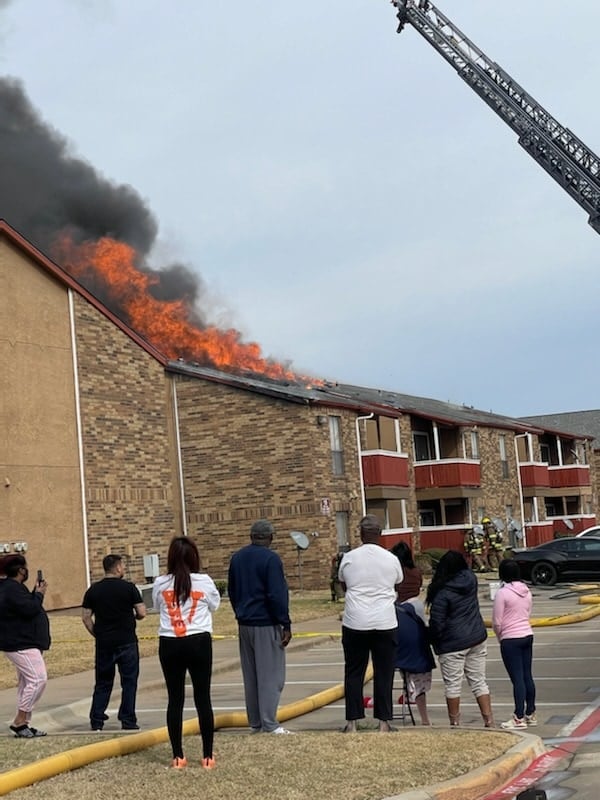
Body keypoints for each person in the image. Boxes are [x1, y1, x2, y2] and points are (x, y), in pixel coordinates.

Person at [153, 536, 221, 769]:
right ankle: (208, 756)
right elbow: (215, 605)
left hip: (170, 641)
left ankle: (178, 756)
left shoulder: (161, 583)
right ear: (194, 557)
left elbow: (156, 605)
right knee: (203, 698)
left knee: (175, 699)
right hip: (199, 640)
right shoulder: (204, 581)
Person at [338, 514, 403, 733]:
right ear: (380, 534)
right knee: (384, 671)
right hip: (385, 621)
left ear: (360, 534)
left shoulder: (349, 557)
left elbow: (343, 581)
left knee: (354, 672)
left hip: (355, 620)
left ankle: (352, 722)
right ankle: (384, 722)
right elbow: (398, 582)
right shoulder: (391, 558)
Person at [228, 519, 293, 735]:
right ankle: (270, 723)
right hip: (266, 622)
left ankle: (255, 722)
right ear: (270, 537)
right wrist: (285, 622)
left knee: (251, 675)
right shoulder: (271, 559)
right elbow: (276, 594)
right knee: (271, 676)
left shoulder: (237, 558)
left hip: (245, 622)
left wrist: (240, 612)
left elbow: (233, 590)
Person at [426, 550, 494, 728]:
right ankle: (489, 720)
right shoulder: (471, 580)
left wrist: (433, 639)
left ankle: (455, 723)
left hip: (452, 643)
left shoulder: (442, 593)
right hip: (477, 637)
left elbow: (437, 622)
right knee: (479, 681)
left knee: (453, 685)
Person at [81, 554, 146, 732]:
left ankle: (96, 719)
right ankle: (128, 719)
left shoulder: (93, 590)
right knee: (129, 681)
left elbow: (86, 617)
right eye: (123, 566)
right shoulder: (129, 588)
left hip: (104, 643)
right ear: (117, 568)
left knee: (103, 682)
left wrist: (97, 634)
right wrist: (134, 616)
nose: (124, 569)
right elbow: (142, 612)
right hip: (127, 641)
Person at [0, 554, 50, 738]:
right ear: (21, 570)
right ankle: (20, 720)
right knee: (38, 679)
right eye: (25, 567)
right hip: (20, 643)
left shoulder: (12, 588)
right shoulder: (11, 589)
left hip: (22, 642)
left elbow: (23, 606)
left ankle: (24, 725)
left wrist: (34, 594)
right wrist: (39, 594)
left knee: (26, 682)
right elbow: (29, 609)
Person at [492, 559, 537, 729]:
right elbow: (527, 612)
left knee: (517, 678)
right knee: (527, 675)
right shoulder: (526, 591)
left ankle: (518, 716)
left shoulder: (503, 593)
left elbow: (497, 621)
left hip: (510, 638)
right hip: (527, 634)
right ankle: (530, 712)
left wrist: (499, 636)